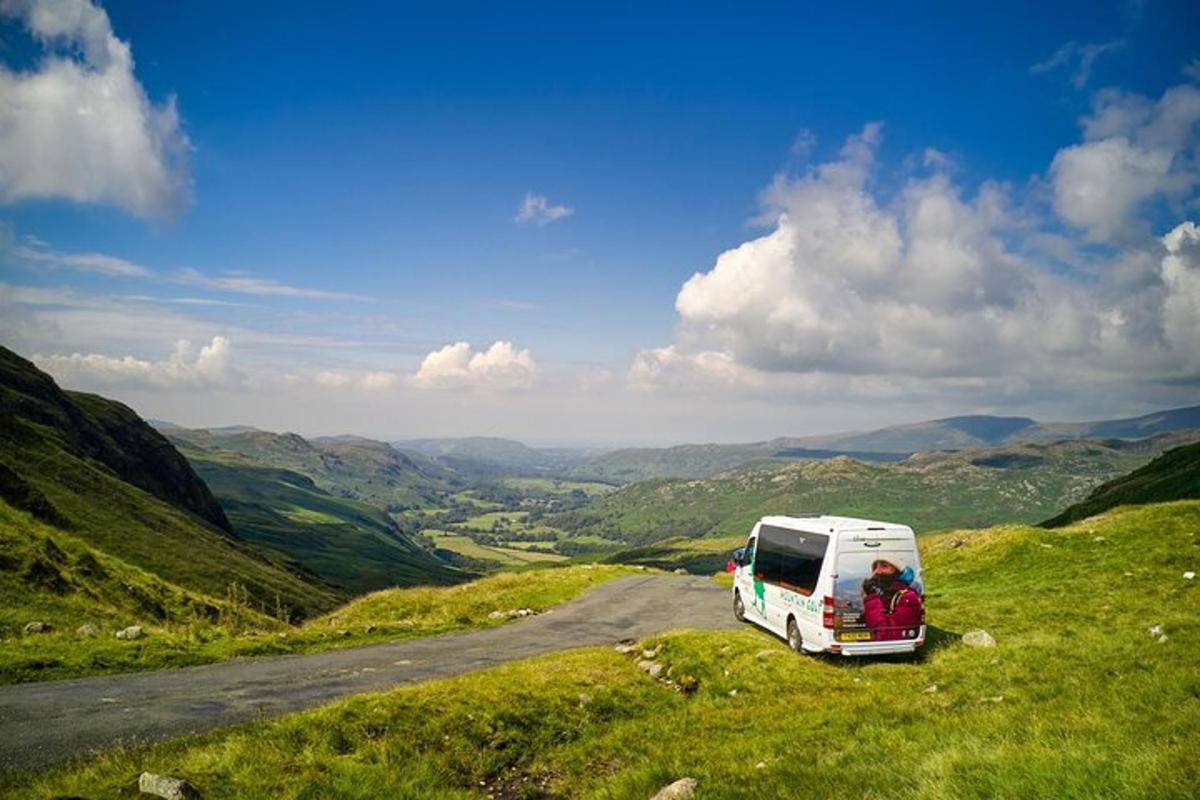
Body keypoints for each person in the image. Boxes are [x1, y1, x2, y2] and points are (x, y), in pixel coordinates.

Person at [861, 558, 923, 641]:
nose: (878, 571)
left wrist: (871, 598)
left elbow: (885, 636)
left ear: (897, 572)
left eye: (884, 566)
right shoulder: (882, 596)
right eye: (875, 567)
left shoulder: (907, 597)